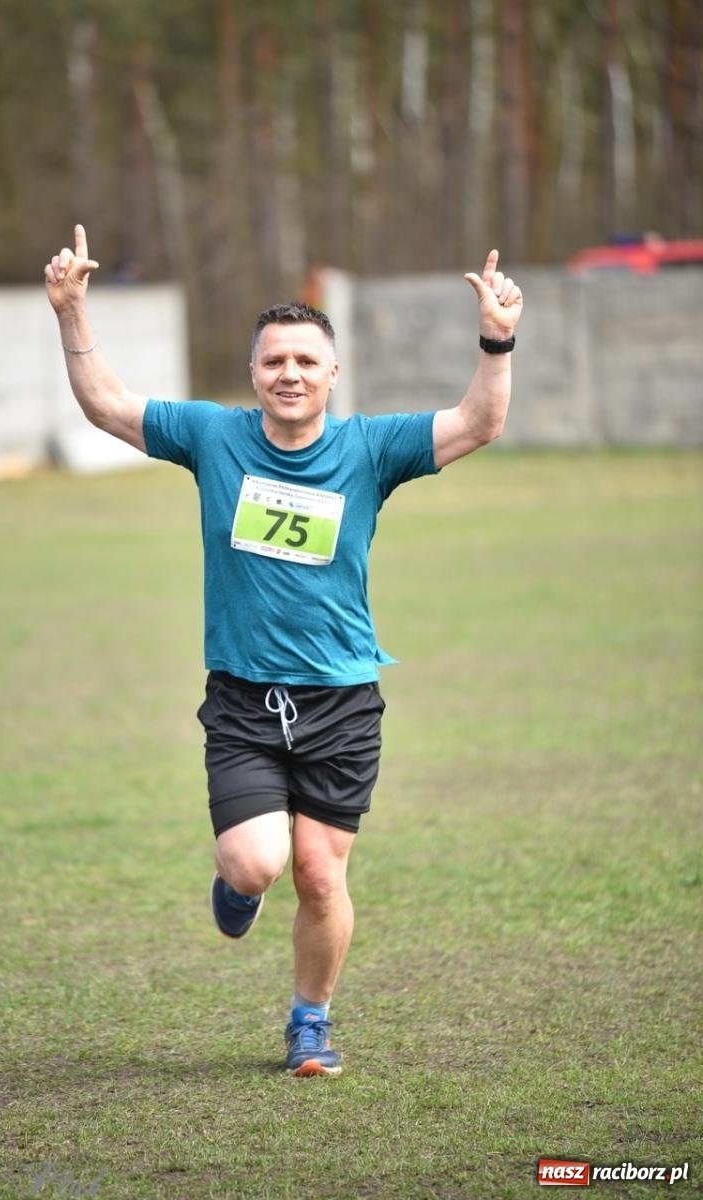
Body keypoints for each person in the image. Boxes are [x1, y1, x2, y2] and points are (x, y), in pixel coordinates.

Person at [44, 225, 523, 1077]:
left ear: (331, 375)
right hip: (241, 697)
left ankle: (310, 1022)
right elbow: (107, 405)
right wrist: (72, 312)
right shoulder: (213, 437)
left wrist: (495, 338)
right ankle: (237, 887)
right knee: (257, 862)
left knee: (318, 873)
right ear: (254, 374)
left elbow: (480, 421)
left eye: (306, 361)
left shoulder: (372, 448)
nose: (290, 375)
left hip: (342, 699)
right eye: (274, 362)